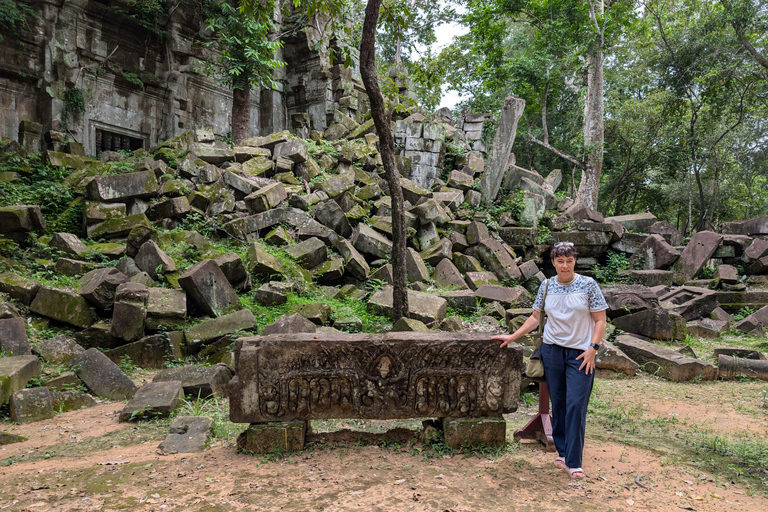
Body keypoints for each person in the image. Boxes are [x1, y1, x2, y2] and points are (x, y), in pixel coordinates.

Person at [492, 241, 608, 479]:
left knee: (576, 404)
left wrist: (593, 348)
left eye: (569, 261)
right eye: (560, 261)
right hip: (552, 351)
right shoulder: (546, 286)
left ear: (575, 261)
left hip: (581, 354)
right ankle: (563, 452)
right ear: (553, 262)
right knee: (560, 403)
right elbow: (536, 317)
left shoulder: (588, 285)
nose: (565, 266)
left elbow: (600, 320)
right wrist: (512, 336)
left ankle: (574, 462)